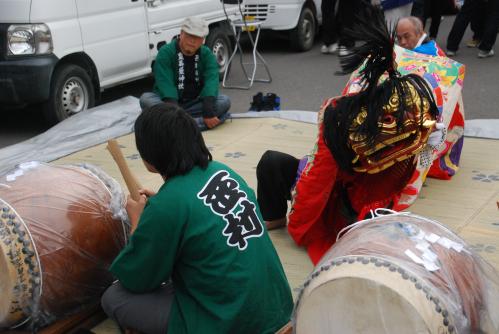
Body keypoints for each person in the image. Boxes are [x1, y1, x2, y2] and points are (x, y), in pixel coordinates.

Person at [256, 5, 462, 264]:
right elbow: (318, 173)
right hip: (327, 182)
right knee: (272, 162)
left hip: (359, 200)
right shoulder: (341, 112)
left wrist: (429, 144)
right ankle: (274, 217)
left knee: (367, 223)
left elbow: (410, 179)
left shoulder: (404, 117)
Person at [101, 104, 293, 334]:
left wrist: (138, 221)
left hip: (229, 321)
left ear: (149, 158)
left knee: (113, 297)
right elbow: (192, 209)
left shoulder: (168, 205)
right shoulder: (224, 171)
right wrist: (160, 208)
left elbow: (136, 279)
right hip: (277, 309)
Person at [396, 16, 465, 181]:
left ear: (419, 33)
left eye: (407, 36)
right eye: (399, 38)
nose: (403, 42)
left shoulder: (428, 54)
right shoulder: (426, 48)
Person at [140, 16, 231, 130]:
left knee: (224, 101)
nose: (193, 41)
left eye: (197, 38)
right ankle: (190, 124)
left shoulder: (206, 54)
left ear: (203, 40)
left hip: (193, 102)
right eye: (189, 36)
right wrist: (176, 113)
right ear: (181, 33)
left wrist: (208, 111)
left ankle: (176, 125)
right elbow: (165, 84)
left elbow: (211, 81)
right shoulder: (166, 52)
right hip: (168, 104)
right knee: (146, 99)